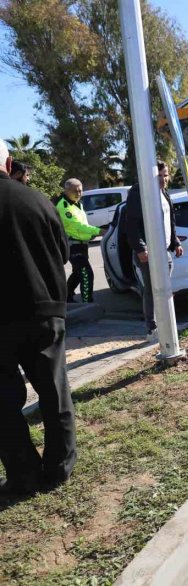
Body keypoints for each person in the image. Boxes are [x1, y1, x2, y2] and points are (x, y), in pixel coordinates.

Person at [0, 139, 76, 495]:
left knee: (2, 403)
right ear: (9, 162)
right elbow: (62, 252)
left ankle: (23, 474)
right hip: (43, 310)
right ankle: (59, 468)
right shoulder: (38, 200)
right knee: (53, 390)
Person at [124, 161, 183, 339]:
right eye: (160, 176)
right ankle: (152, 328)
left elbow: (169, 219)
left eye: (166, 175)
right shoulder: (138, 192)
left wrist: (175, 242)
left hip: (164, 249)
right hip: (148, 252)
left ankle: (166, 324)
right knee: (152, 289)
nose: (164, 179)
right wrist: (141, 248)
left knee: (165, 288)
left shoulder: (164, 192)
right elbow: (131, 224)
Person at [57, 178, 105, 303]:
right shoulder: (64, 207)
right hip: (73, 245)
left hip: (82, 245)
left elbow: (82, 225)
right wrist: (98, 231)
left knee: (78, 274)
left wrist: (89, 236)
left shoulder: (78, 204)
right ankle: (87, 303)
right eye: (75, 191)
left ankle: (66, 297)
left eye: (80, 191)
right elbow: (78, 226)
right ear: (66, 191)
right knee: (86, 274)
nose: (78, 193)